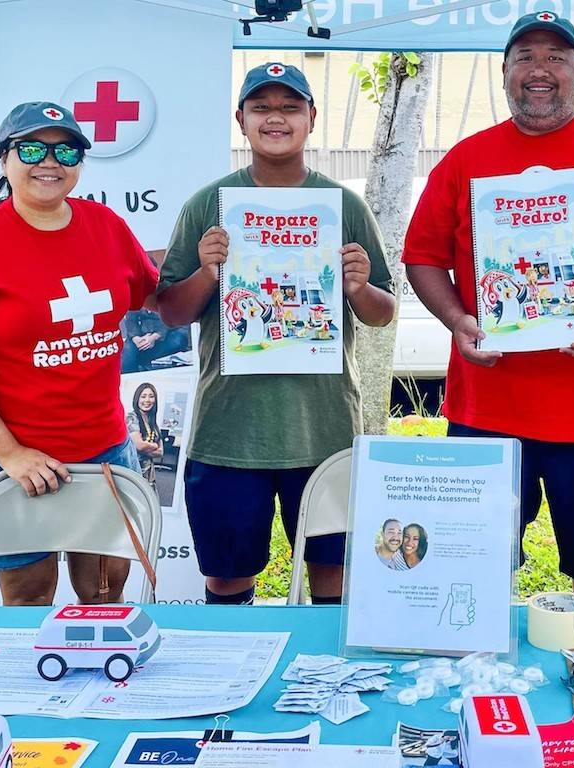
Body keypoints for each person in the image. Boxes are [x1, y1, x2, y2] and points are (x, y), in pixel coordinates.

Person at [402, 12, 574, 595]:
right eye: (525, 56)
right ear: (504, 72)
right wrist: (458, 321)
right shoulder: (465, 159)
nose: (540, 70)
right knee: (470, 572)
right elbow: (423, 257)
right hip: (487, 410)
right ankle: (481, 680)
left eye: (556, 57)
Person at [157, 63, 395, 606]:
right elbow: (170, 312)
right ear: (240, 120)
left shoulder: (343, 206)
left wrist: (357, 287)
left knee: (331, 578)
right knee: (226, 580)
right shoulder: (209, 205)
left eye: (289, 107)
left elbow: (383, 312)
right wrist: (207, 273)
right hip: (230, 431)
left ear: (311, 118)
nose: (275, 118)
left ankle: (327, 681)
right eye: (261, 108)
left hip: (325, 428)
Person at [0, 101, 158, 606]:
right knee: (28, 598)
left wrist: (212, 264)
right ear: (5, 159)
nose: (49, 161)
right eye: (32, 148)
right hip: (10, 454)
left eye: (66, 150)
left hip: (103, 449)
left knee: (105, 594)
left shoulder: (106, 227)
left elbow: (156, 294)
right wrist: (10, 454)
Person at [120, 308, 191, 373]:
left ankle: (143, 360)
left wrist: (155, 336)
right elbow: (131, 319)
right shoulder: (136, 297)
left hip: (169, 330)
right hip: (143, 334)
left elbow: (174, 317)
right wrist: (135, 337)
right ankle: (133, 381)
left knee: (178, 341)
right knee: (128, 350)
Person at [127, 382, 163, 488]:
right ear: (137, 399)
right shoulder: (131, 417)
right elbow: (139, 445)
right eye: (143, 396)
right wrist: (154, 446)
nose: (147, 400)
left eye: (151, 396)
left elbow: (161, 452)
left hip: (149, 472)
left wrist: (145, 448)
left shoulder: (152, 420)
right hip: (135, 471)